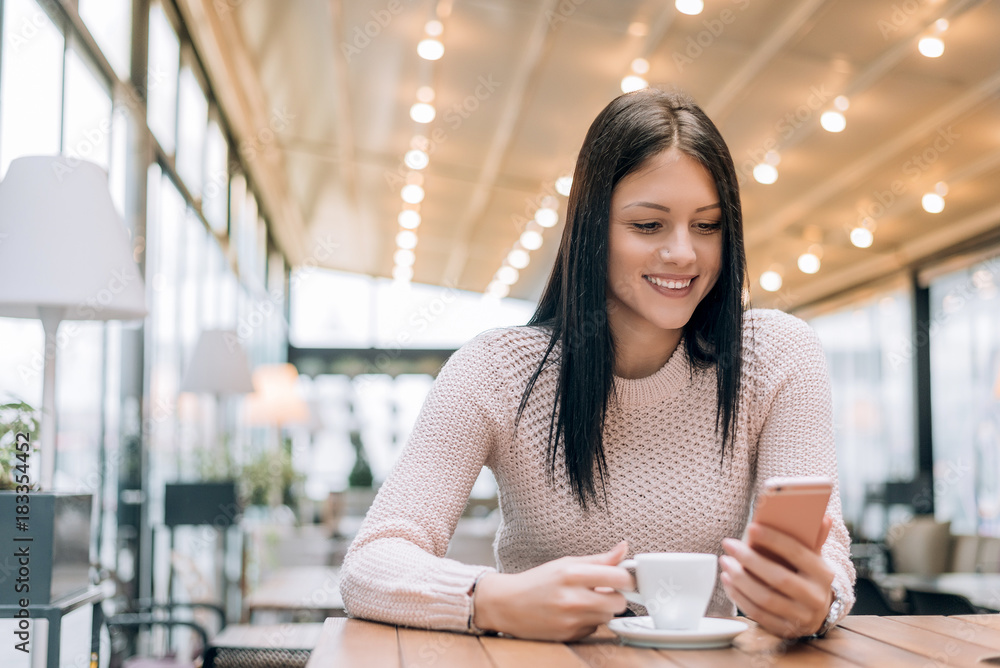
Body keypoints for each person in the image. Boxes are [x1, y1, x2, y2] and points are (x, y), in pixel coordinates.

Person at [339, 88, 855, 641]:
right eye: (648, 225)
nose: (684, 252)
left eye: (707, 226)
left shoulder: (776, 353)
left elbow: (825, 552)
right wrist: (490, 600)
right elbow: (372, 562)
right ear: (590, 230)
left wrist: (816, 598)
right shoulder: (496, 371)